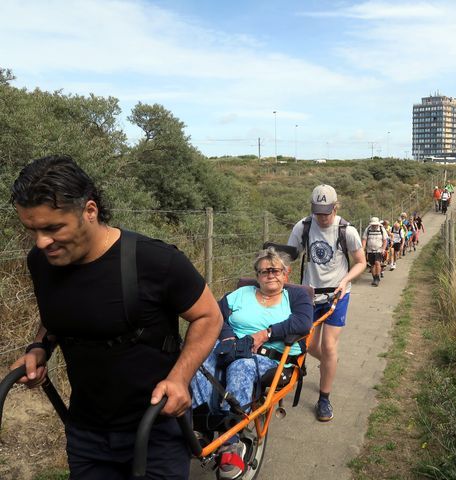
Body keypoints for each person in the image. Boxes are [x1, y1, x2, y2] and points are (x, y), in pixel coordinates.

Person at [9, 155, 223, 479]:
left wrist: (180, 377)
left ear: (89, 211)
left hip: (155, 429)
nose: (41, 242)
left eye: (53, 228)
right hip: (86, 433)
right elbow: (56, 316)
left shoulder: (154, 261)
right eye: (32, 230)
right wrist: (38, 347)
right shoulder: (42, 262)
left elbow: (208, 315)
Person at [191, 246, 313, 479]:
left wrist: (266, 333)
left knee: (242, 366)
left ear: (286, 274)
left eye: (275, 270)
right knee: (199, 358)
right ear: (257, 275)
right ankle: (202, 426)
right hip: (231, 348)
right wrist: (227, 337)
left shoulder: (295, 296)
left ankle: (231, 438)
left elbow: (303, 323)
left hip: (268, 356)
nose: (270, 275)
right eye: (264, 271)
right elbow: (215, 315)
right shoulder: (241, 294)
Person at [287, 185, 366, 422]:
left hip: (337, 294)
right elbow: (289, 255)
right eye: (318, 212)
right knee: (308, 345)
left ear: (336, 207)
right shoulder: (303, 227)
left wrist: (345, 281)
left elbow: (361, 262)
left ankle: (324, 398)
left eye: (326, 212)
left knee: (329, 347)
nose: (322, 218)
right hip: (309, 295)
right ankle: (329, 364)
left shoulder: (346, 230)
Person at [362, 216, 388, 287]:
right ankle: (374, 278)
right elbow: (364, 239)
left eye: (375, 224)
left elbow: (385, 240)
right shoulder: (368, 229)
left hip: (379, 250)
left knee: (377, 263)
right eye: (373, 224)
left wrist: (383, 249)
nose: (374, 225)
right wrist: (363, 249)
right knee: (372, 265)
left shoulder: (382, 229)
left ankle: (377, 277)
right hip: (369, 250)